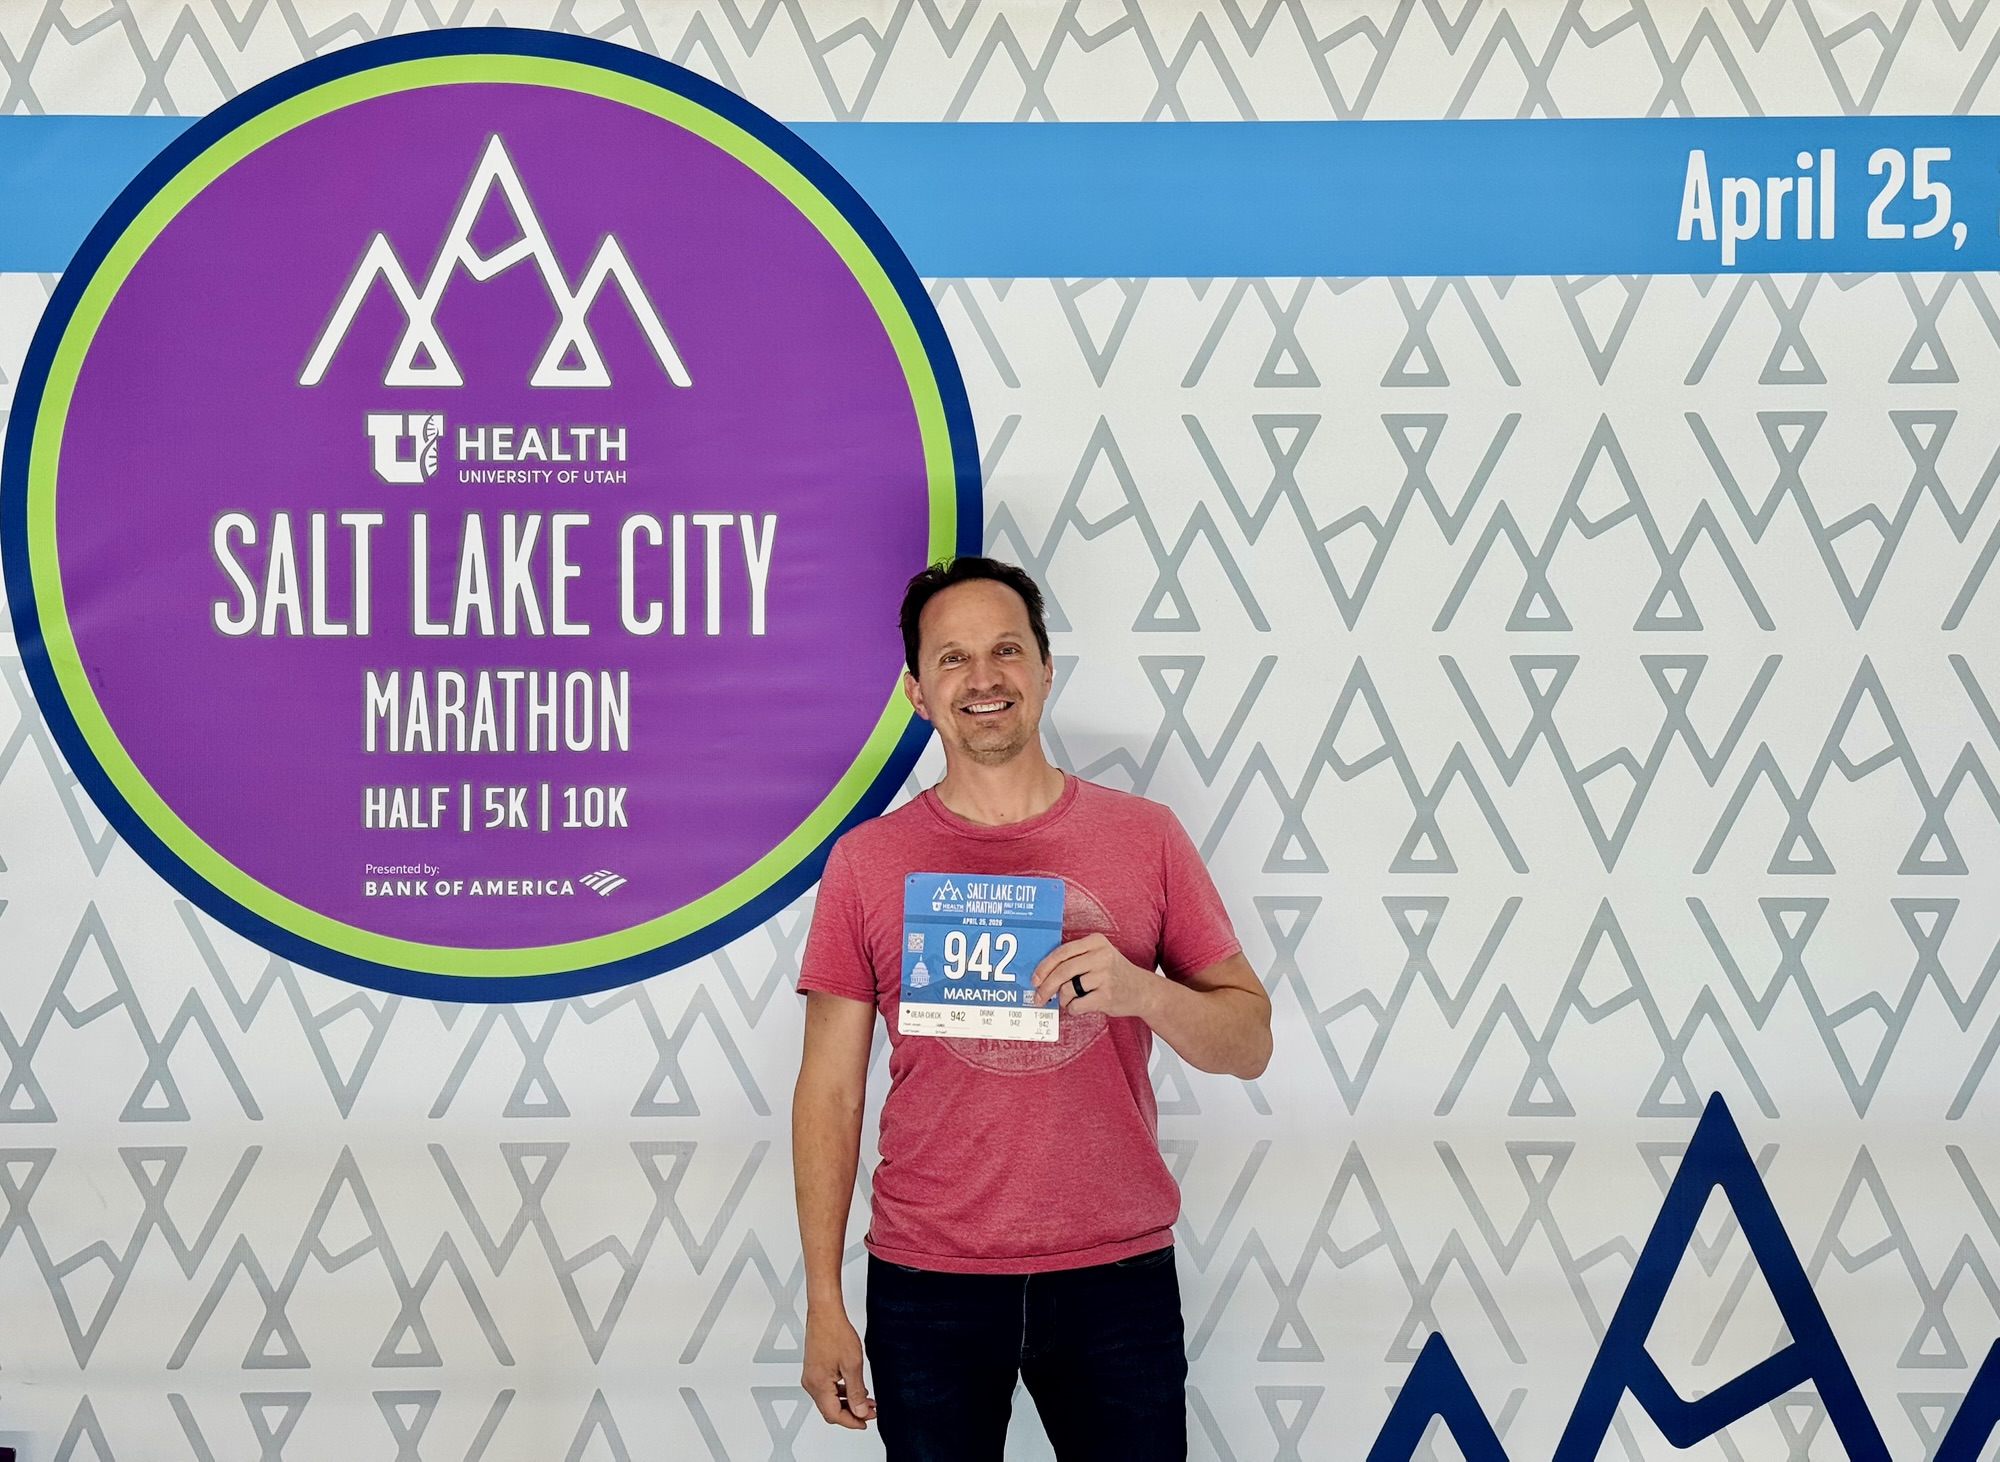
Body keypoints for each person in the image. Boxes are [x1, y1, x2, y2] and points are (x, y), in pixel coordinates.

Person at [791, 555, 1273, 1461]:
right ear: (916, 692)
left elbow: (1249, 1042)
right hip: (926, 1282)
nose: (984, 678)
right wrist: (824, 1299)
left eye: (1008, 650)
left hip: (1115, 1277)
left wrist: (1143, 989)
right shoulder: (866, 863)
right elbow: (828, 1091)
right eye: (952, 659)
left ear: (1046, 670)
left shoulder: (1147, 837)